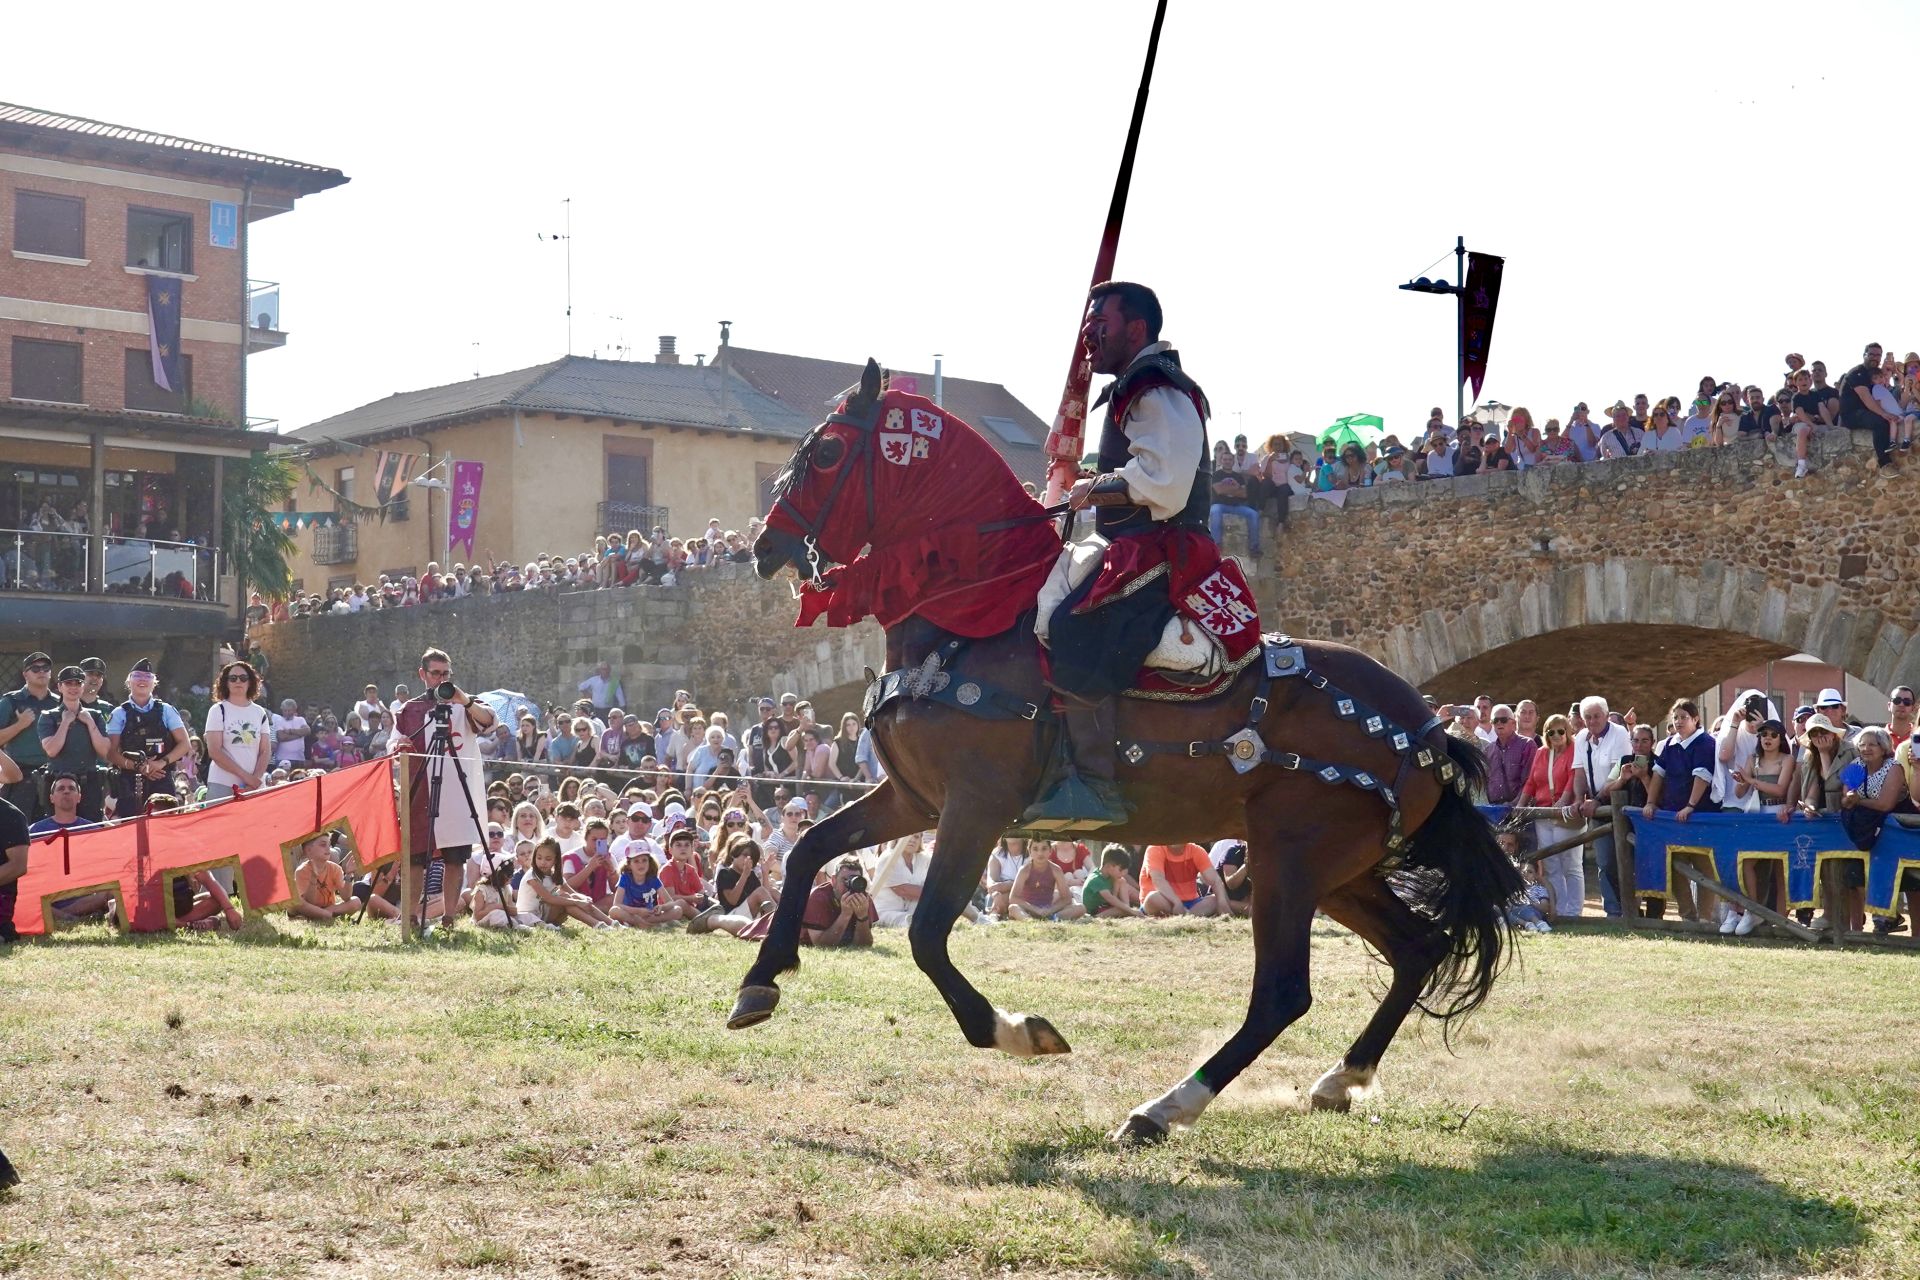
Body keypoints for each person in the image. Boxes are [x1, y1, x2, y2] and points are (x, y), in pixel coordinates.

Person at [1033, 280, 1231, 831]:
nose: (1089, 341)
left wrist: (1094, 489)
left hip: (1166, 551)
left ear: (1136, 329)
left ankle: (1095, 783)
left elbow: (1163, 484)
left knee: (1078, 625)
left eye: (1101, 327)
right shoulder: (1133, 386)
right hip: (1134, 546)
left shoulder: (1155, 388)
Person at [391, 648, 495, 932]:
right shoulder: (409, 709)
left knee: (454, 857)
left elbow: (488, 721)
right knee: (414, 859)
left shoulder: (465, 703)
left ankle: (449, 917)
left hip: (458, 793)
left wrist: (464, 699)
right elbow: (394, 745)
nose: (441, 679)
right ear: (422, 674)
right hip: (421, 791)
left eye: (446, 673)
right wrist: (399, 748)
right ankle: (410, 917)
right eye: (435, 673)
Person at [1570, 696, 1632, 918]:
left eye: (1596, 716)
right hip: (1596, 806)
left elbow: (1617, 776)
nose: (1592, 721)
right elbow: (1579, 772)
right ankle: (1613, 911)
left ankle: (1629, 909)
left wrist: (1595, 799)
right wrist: (1579, 798)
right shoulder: (1581, 738)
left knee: (1624, 859)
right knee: (1605, 861)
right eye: (1588, 717)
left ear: (1606, 715)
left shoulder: (1620, 734)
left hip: (1620, 803)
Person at [104, 660, 190, 818]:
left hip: (162, 777)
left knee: (165, 827)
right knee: (129, 829)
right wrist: (138, 767)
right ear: (129, 682)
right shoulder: (118, 714)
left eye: (147, 676)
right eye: (137, 676)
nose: (142, 680)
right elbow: (111, 752)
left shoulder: (167, 711)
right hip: (129, 780)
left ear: (154, 683)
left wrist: (159, 763)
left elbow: (185, 744)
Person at [29, 774, 112, 923]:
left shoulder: (92, 829)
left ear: (79, 797)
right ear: (51, 798)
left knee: (111, 891)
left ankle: (62, 915)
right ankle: (68, 916)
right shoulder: (35, 830)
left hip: (83, 895)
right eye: (61, 788)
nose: (66, 791)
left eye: (71, 788)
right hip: (46, 895)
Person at [1522, 714, 1579, 917]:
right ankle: (1560, 910)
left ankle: (1574, 911)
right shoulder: (1541, 753)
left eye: (1561, 731)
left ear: (1568, 732)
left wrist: (1563, 801)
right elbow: (1531, 782)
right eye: (1551, 732)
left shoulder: (1575, 750)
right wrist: (1520, 806)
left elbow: (1573, 778)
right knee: (1551, 865)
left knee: (1570, 864)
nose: (1556, 735)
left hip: (1566, 814)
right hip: (1543, 812)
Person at [37, 665, 111, 822]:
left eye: (78, 683)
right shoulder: (48, 716)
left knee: (90, 831)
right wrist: (65, 723)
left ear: (83, 686)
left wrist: (89, 722)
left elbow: (104, 751)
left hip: (89, 783)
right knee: (58, 831)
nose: (73, 687)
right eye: (68, 683)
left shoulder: (95, 716)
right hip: (60, 784)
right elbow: (51, 750)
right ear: (59, 687)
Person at [0, 653, 59, 820]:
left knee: (51, 831)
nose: (41, 672)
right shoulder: (11, 701)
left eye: (45, 668)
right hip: (20, 776)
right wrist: (20, 725)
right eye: (35, 668)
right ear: (25, 674)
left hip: (54, 776)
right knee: (18, 829)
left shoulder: (59, 702)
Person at [800, 856, 874, 947]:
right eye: (845, 880)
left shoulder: (863, 899)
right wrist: (845, 915)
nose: (850, 886)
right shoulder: (818, 897)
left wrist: (862, 916)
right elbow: (821, 945)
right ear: (834, 880)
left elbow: (864, 945)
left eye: (855, 880)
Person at [1140, 842, 1225, 917]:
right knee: (1154, 898)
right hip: (1165, 900)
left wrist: (1223, 905)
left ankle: (1184, 915)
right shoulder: (1155, 848)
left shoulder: (1197, 850)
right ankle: (1187, 916)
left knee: (1215, 899)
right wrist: (1176, 902)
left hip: (1192, 903)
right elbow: (1158, 879)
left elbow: (1215, 880)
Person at [1208, 439, 1261, 557]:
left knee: (1254, 514)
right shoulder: (1216, 475)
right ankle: (1216, 545)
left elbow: (1244, 494)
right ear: (1221, 461)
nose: (1227, 462)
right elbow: (1218, 490)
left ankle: (1254, 547)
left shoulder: (1238, 476)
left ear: (1233, 461)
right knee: (1214, 511)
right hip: (1220, 505)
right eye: (1225, 459)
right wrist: (1236, 489)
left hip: (1236, 506)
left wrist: (1226, 488)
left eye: (1230, 459)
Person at [288, 835, 360, 922]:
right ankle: (326, 915)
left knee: (356, 901)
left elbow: (346, 897)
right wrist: (313, 879)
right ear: (309, 850)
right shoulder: (301, 871)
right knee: (297, 902)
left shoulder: (335, 868)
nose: (328, 848)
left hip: (328, 907)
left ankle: (322, 915)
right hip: (309, 906)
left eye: (329, 845)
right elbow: (310, 902)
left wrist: (348, 875)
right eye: (323, 845)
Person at [868, 833, 928, 927]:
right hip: (886, 911)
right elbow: (903, 890)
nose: (912, 840)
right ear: (898, 839)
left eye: (916, 837)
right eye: (908, 836)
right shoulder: (888, 858)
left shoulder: (924, 859)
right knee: (911, 921)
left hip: (912, 909)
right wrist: (938, 894)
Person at [1081, 844, 1143, 918]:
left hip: (1105, 906)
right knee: (1121, 910)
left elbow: (1114, 895)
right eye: (1120, 870)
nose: (1122, 873)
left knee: (1122, 881)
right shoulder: (1096, 880)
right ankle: (1095, 918)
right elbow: (1112, 899)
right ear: (1109, 866)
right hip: (1095, 910)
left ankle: (1127, 908)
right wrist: (1132, 911)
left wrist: (1117, 884)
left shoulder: (1109, 876)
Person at [1207, 839, 1253, 916]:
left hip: (1243, 901)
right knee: (1253, 911)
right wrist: (1247, 865)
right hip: (1223, 899)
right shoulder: (1233, 851)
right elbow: (1231, 884)